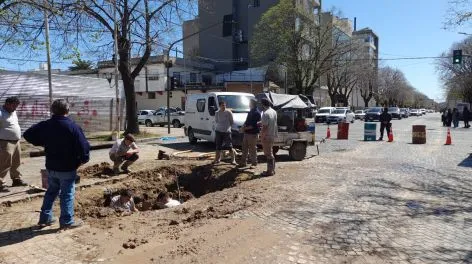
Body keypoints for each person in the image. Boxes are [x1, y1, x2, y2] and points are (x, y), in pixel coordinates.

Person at [23, 99, 90, 229]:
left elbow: (27, 134)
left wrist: (42, 142)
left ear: (52, 110)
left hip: (51, 166)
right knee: (67, 194)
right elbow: (84, 147)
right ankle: (66, 221)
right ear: (67, 110)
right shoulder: (73, 127)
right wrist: (83, 160)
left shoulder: (46, 125)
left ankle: (45, 218)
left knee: (51, 191)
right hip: (67, 168)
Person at [0, 96, 27, 191]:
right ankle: (0, 183)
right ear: (7, 104)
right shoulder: (0, 113)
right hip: (5, 142)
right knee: (4, 163)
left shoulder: (13, 112)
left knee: (17, 162)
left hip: (16, 141)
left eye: (16, 106)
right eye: (14, 106)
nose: (15, 108)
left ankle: (16, 180)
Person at [239, 99, 261, 168]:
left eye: (249, 103)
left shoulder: (256, 113)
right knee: (244, 148)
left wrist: (243, 129)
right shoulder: (250, 111)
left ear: (252, 103)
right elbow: (246, 121)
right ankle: (243, 162)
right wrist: (243, 127)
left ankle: (254, 163)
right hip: (247, 133)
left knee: (252, 149)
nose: (248, 104)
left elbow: (253, 125)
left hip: (253, 134)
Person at [260, 98, 278, 176]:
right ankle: (272, 170)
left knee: (268, 154)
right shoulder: (274, 111)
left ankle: (269, 171)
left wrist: (262, 136)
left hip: (267, 136)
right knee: (271, 153)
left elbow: (265, 127)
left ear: (263, 105)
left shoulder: (265, 113)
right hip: (272, 135)